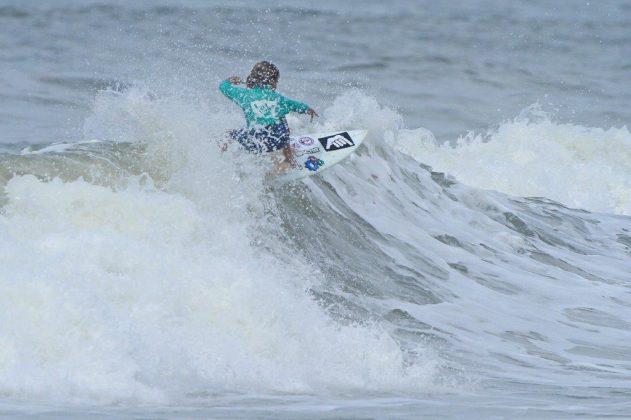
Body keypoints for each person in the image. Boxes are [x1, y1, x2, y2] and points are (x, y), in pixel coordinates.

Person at [219, 61, 318, 167]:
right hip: (278, 141)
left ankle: (219, 158)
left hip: (255, 143)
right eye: (276, 81)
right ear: (272, 82)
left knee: (229, 134)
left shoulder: (243, 95)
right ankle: (290, 159)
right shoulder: (278, 98)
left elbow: (223, 87)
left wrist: (229, 80)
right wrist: (307, 109)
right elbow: (295, 105)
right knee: (281, 119)